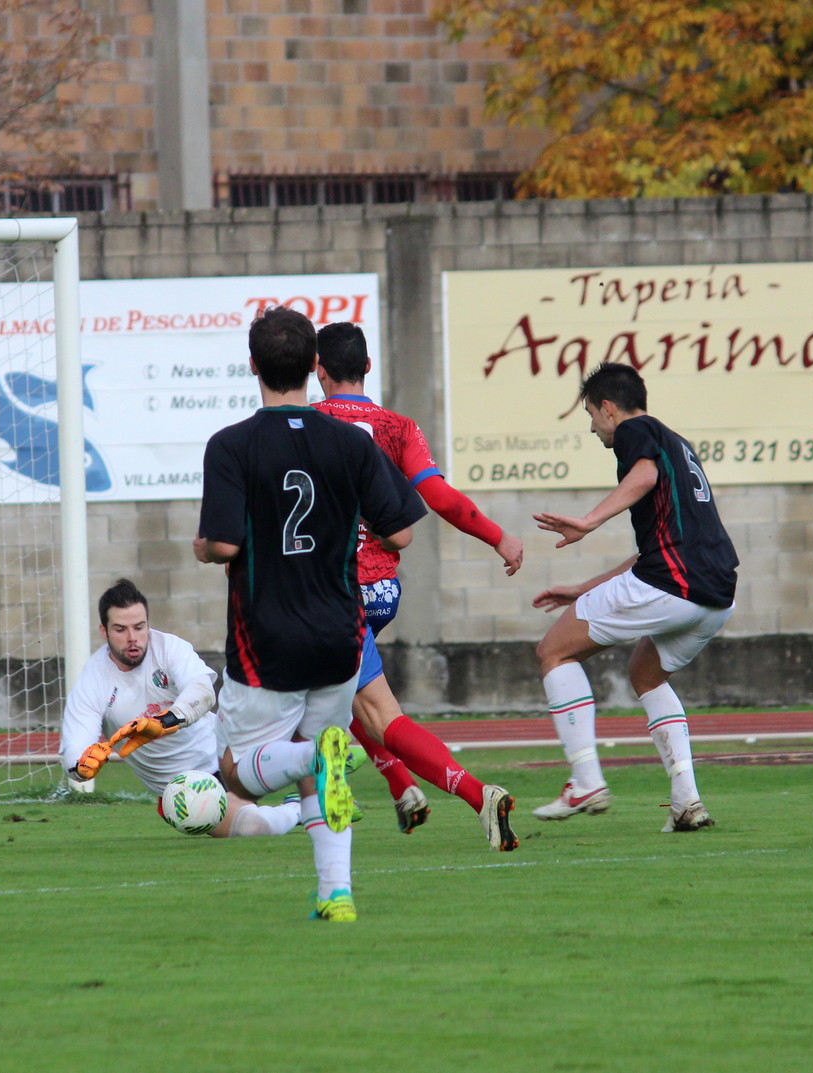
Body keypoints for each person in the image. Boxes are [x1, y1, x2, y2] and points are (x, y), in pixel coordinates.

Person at [195, 305, 426, 923]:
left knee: (235, 772)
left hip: (266, 636)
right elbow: (401, 533)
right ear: (313, 366)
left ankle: (311, 755)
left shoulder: (231, 445)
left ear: (252, 366)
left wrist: (203, 548)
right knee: (320, 767)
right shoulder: (350, 443)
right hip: (340, 636)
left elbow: (221, 546)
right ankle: (336, 893)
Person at [313, 321, 520, 851]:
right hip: (382, 592)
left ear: (318, 371)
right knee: (346, 695)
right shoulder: (399, 428)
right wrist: (498, 538)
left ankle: (475, 794)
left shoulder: (307, 426)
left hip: (333, 594)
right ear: (367, 368)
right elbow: (441, 499)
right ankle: (401, 786)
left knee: (371, 710)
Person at [530, 362, 739, 832]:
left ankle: (585, 780)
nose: (592, 428)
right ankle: (686, 801)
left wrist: (588, 520)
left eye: (590, 415)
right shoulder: (676, 443)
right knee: (645, 672)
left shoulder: (635, 431)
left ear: (608, 408)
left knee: (554, 652)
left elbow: (642, 476)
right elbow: (657, 550)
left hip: (674, 582)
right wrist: (585, 589)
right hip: (717, 592)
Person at [59, 579, 304, 838]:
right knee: (255, 827)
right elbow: (75, 745)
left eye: (139, 627)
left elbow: (203, 692)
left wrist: (164, 722)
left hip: (226, 754)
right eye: (120, 629)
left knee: (290, 705)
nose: (132, 638)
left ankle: (316, 764)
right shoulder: (93, 679)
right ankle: (301, 809)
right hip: (181, 788)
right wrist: (80, 767)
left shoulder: (169, 648)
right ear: (103, 631)